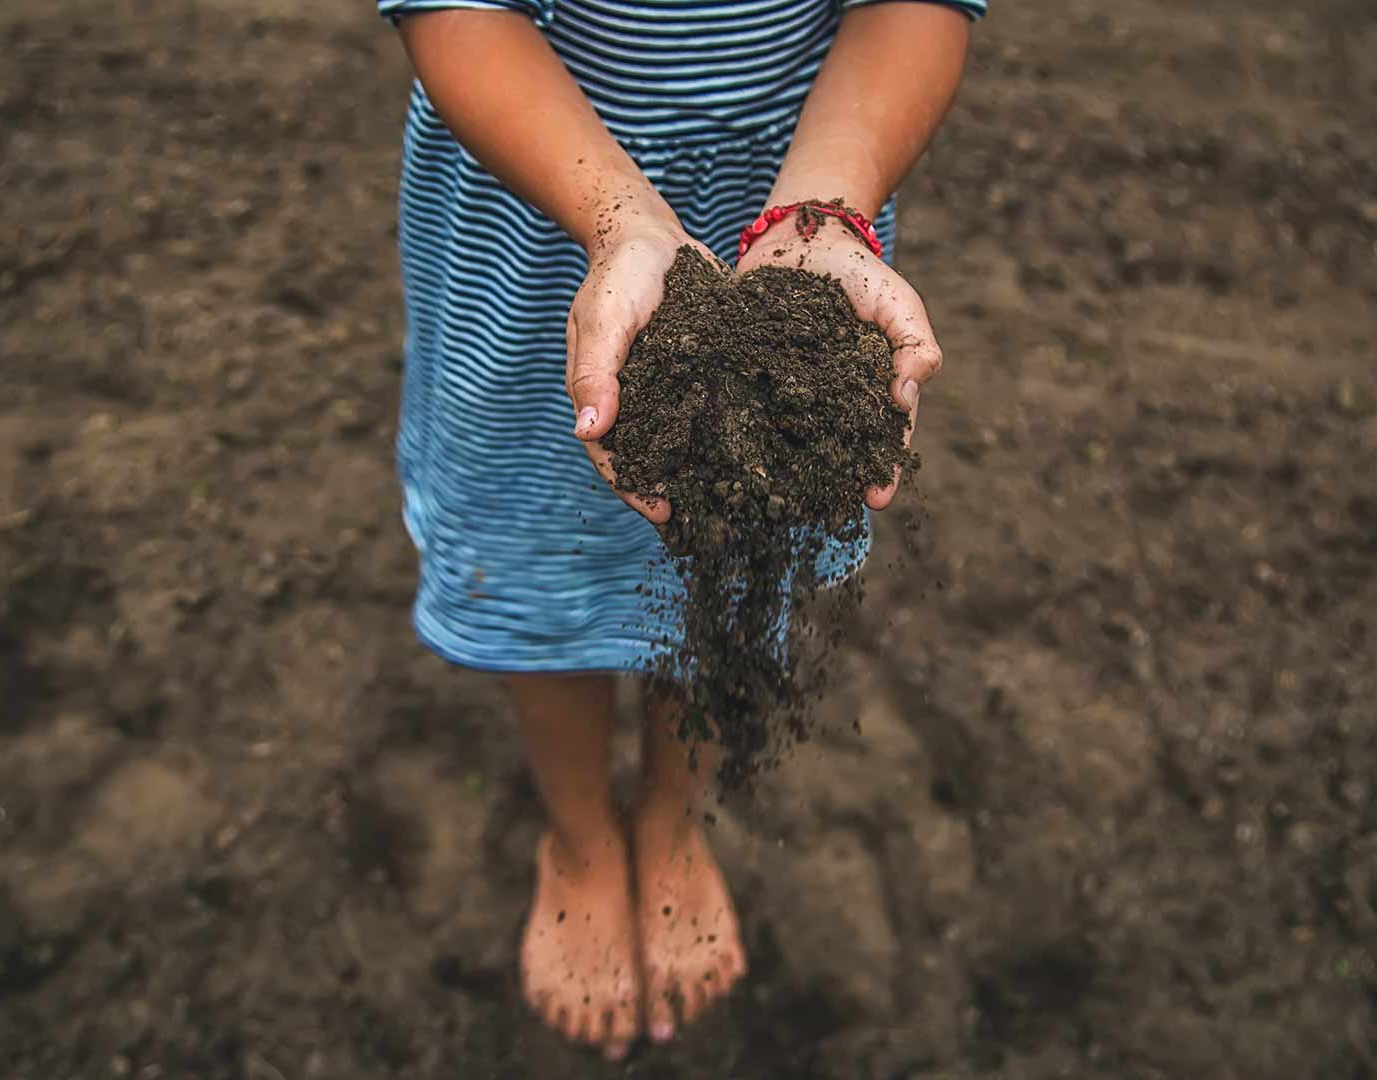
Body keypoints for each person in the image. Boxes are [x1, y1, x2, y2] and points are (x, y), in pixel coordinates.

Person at [379, 0, 984, 1061]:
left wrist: (823, 211)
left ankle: (670, 815)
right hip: (543, 207)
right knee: (544, 551)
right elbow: (457, 13)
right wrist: (624, 219)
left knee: (741, 542)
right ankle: (578, 836)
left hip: (799, 194)